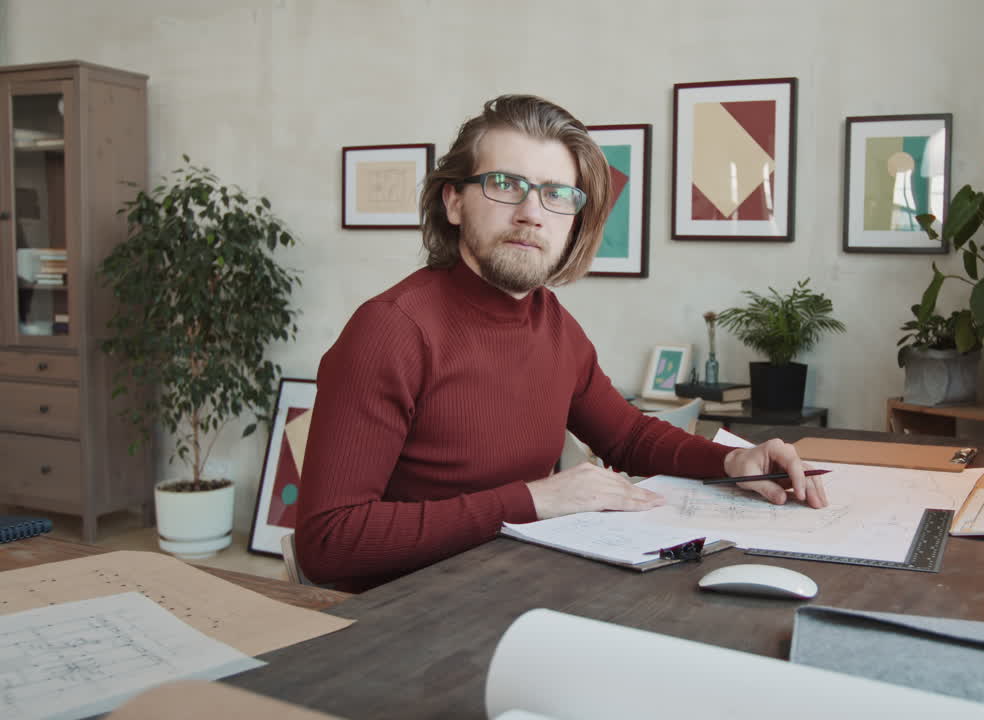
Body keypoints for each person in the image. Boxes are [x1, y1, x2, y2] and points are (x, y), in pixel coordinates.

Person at [296, 95, 828, 592]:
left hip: (516, 583)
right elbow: (328, 542)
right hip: (409, 617)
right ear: (454, 201)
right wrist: (533, 500)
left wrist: (732, 463)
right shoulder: (389, 330)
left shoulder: (551, 322)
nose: (531, 212)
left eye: (556, 195)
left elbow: (627, 436)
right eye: (505, 184)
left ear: (574, 222)